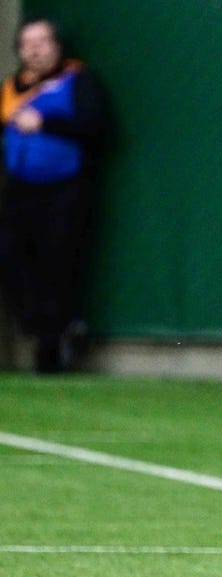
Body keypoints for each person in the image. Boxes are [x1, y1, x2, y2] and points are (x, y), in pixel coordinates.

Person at [0, 17, 109, 373]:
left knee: (57, 265)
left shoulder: (78, 80)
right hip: (19, 189)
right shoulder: (11, 90)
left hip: (65, 188)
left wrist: (45, 124)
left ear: (57, 46)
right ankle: (43, 326)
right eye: (27, 43)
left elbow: (96, 127)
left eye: (42, 41)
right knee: (13, 259)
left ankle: (52, 351)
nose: (34, 49)